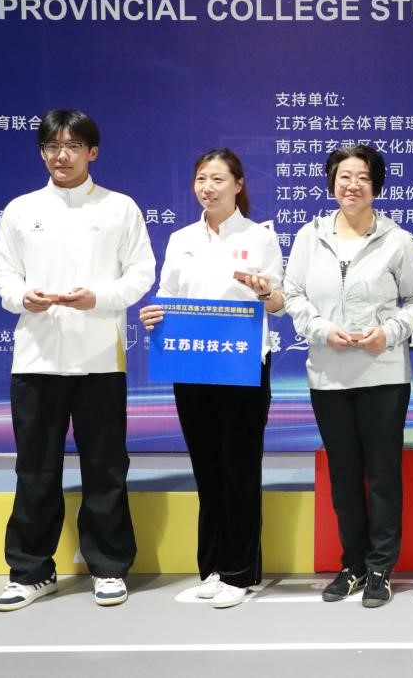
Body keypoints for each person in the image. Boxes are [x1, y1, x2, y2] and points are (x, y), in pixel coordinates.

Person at [0, 109, 155, 610]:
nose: (62, 155)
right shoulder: (21, 209)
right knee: (35, 468)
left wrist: (98, 298)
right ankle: (30, 570)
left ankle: (108, 566)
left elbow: (141, 273)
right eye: (52, 146)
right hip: (36, 357)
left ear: (92, 152)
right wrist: (22, 297)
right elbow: (2, 271)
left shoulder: (120, 207)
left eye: (73, 146)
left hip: (101, 356)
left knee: (105, 465)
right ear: (42, 152)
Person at [138, 148, 285, 609]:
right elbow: (168, 294)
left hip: (241, 365)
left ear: (238, 185)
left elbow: (279, 301)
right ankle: (214, 568)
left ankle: (241, 573)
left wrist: (265, 290)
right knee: (206, 468)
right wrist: (153, 313)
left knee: (240, 469)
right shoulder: (181, 238)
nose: (208, 187)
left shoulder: (260, 237)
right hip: (193, 365)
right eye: (202, 178)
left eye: (219, 179)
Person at [284, 144, 413, 608]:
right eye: (344, 176)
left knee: (383, 474)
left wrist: (389, 333)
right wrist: (322, 330)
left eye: (363, 177)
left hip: (383, 374)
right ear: (332, 183)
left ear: (376, 185)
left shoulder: (398, 240)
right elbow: (293, 294)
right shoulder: (309, 237)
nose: (352, 185)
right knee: (344, 476)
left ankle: (381, 566)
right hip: (328, 375)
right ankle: (353, 564)